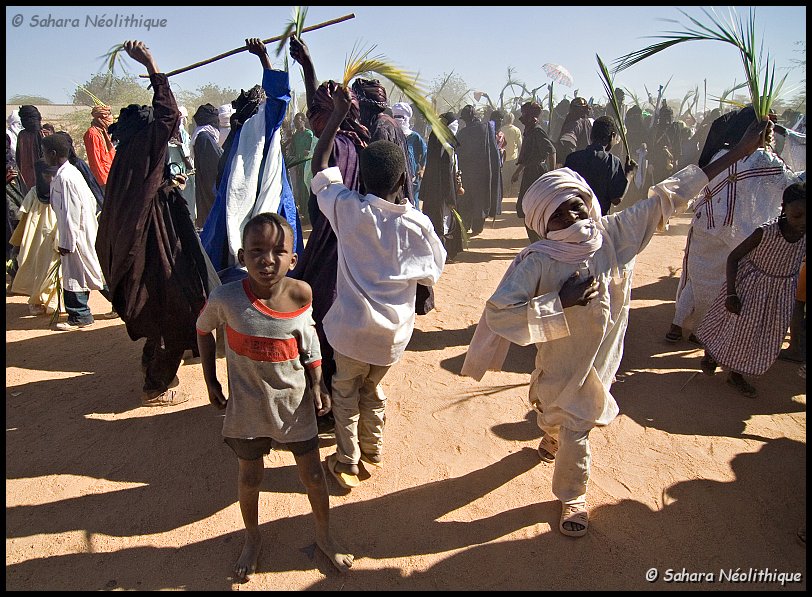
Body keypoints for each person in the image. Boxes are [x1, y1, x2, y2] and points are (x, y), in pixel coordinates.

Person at [460, 117, 771, 538]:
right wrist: (559, 302)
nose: (574, 217)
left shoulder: (613, 233)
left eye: (577, 205)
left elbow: (668, 197)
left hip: (602, 360)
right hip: (561, 364)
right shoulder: (537, 260)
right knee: (556, 415)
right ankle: (552, 436)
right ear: (542, 222)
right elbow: (499, 314)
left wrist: (735, 155)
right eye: (560, 214)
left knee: (577, 425)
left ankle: (572, 495)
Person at [196, 212, 354, 582]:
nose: (267, 260)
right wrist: (211, 381)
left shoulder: (301, 293)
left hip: (294, 406)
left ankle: (324, 537)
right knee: (250, 477)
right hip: (248, 409)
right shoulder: (227, 298)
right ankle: (252, 537)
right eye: (257, 251)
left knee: (313, 475)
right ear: (241, 256)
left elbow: (309, 340)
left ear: (293, 258)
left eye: (278, 251)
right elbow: (203, 330)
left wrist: (317, 383)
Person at [310, 84, 446, 489]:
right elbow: (432, 272)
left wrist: (335, 115)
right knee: (374, 390)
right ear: (404, 176)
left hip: (349, 336)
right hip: (392, 340)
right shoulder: (418, 224)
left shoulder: (348, 209)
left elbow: (320, 166)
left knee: (346, 394)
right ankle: (374, 452)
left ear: (360, 179)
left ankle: (347, 462)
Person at [96, 40, 220, 406]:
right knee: (177, 312)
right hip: (154, 251)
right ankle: (155, 384)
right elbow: (168, 114)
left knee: (163, 310)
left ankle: (153, 364)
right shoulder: (143, 152)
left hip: (147, 249)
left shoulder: (128, 160)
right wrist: (152, 65)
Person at [288, 35, 372, 436]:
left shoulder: (340, 146)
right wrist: (307, 65)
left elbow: (322, 144)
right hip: (336, 238)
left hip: (335, 242)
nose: (310, 119)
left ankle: (325, 404)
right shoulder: (352, 138)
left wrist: (331, 113)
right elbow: (319, 113)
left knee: (322, 315)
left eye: (319, 115)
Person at [665, 106, 804, 345]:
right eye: (767, 128)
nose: (771, 134)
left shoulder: (720, 154)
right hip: (738, 236)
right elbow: (792, 187)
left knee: (695, 279)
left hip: (704, 228)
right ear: (754, 130)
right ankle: (702, 330)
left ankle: (676, 326)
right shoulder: (764, 160)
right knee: (723, 286)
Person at [201, 38, 304, 280]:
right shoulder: (241, 134)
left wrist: (263, 58)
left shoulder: (261, 128)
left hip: (268, 206)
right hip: (232, 214)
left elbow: (279, 99)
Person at [696, 182, 806, 398]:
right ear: (784, 208)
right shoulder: (764, 232)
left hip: (780, 294)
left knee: (760, 334)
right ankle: (714, 357)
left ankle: (736, 372)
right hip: (750, 288)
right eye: (797, 216)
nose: (803, 223)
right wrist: (731, 293)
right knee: (734, 328)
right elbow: (733, 258)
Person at [41, 133, 115, 330]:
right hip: (82, 232)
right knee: (91, 272)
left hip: (76, 234)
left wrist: (66, 242)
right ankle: (115, 303)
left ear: (53, 154)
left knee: (79, 274)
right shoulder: (69, 174)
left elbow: (70, 214)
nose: (44, 156)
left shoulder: (66, 178)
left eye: (45, 152)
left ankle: (79, 314)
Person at [9, 158, 61, 315]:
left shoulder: (60, 189)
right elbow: (22, 216)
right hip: (36, 237)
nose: (50, 179)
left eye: (52, 175)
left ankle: (55, 300)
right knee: (37, 266)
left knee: (56, 266)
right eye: (46, 176)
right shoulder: (33, 193)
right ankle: (36, 300)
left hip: (55, 233)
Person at [351, 78, 415, 205]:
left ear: (365, 108)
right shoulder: (391, 122)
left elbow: (379, 178)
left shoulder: (379, 130)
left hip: (388, 203)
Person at [563, 115, 635, 216]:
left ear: (591, 136)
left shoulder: (572, 158)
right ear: (612, 136)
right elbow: (616, 199)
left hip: (574, 220)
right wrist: (629, 174)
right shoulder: (612, 162)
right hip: (598, 222)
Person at [420, 111, 463, 262]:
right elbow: (446, 173)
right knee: (443, 221)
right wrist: (451, 196)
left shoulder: (435, 139)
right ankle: (442, 254)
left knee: (435, 220)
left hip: (433, 188)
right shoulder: (446, 147)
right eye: (454, 125)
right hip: (442, 191)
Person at [514, 102, 556, 242]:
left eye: (524, 114)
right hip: (529, 172)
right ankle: (535, 240)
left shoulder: (537, 131)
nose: (522, 118)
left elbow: (551, 150)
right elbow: (527, 157)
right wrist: (518, 171)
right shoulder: (530, 131)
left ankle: (538, 241)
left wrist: (551, 174)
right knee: (524, 207)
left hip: (537, 173)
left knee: (534, 207)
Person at [456, 104, 500, 235]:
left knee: (467, 198)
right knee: (480, 198)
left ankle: (467, 223)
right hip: (484, 172)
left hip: (467, 172)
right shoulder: (486, 129)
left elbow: (458, 152)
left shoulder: (463, 133)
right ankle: (477, 226)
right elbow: (494, 152)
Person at [191, 103, 223, 230]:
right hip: (210, 183)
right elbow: (216, 161)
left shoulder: (204, 135)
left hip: (206, 181)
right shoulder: (204, 137)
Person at [392, 102, 427, 210]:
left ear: (406, 118)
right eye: (395, 117)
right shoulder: (390, 133)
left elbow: (425, 152)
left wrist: (422, 169)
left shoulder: (414, 137)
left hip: (412, 176)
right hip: (395, 175)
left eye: (401, 117)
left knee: (413, 203)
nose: (398, 119)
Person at [285, 112, 316, 222]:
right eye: (294, 122)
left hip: (307, 165)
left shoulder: (309, 134)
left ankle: (309, 215)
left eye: (297, 121)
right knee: (299, 188)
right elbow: (292, 150)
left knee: (306, 189)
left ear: (303, 121)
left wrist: (306, 153)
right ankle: (303, 213)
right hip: (298, 165)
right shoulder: (295, 136)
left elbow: (310, 150)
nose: (296, 123)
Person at [167, 105, 196, 222]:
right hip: (173, 168)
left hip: (182, 169)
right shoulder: (171, 132)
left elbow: (187, 151)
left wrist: (179, 144)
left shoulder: (181, 132)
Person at [82, 105, 116, 192]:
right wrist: (103, 181)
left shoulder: (103, 132)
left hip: (111, 174)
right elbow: (95, 160)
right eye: (109, 116)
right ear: (101, 118)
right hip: (103, 179)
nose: (110, 119)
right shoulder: (92, 134)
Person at [15, 105, 44, 193]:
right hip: (26, 177)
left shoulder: (42, 134)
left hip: (40, 178)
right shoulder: (22, 135)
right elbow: (18, 158)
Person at [555, 96, 592, 166]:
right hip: (585, 163)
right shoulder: (587, 122)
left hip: (576, 166)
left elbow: (568, 142)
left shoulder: (575, 123)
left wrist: (570, 163)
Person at [500, 111, 523, 197]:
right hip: (514, 157)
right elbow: (520, 144)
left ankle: (506, 192)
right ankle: (513, 193)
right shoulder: (516, 130)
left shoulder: (501, 129)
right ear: (513, 120)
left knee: (505, 176)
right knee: (513, 175)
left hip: (504, 157)